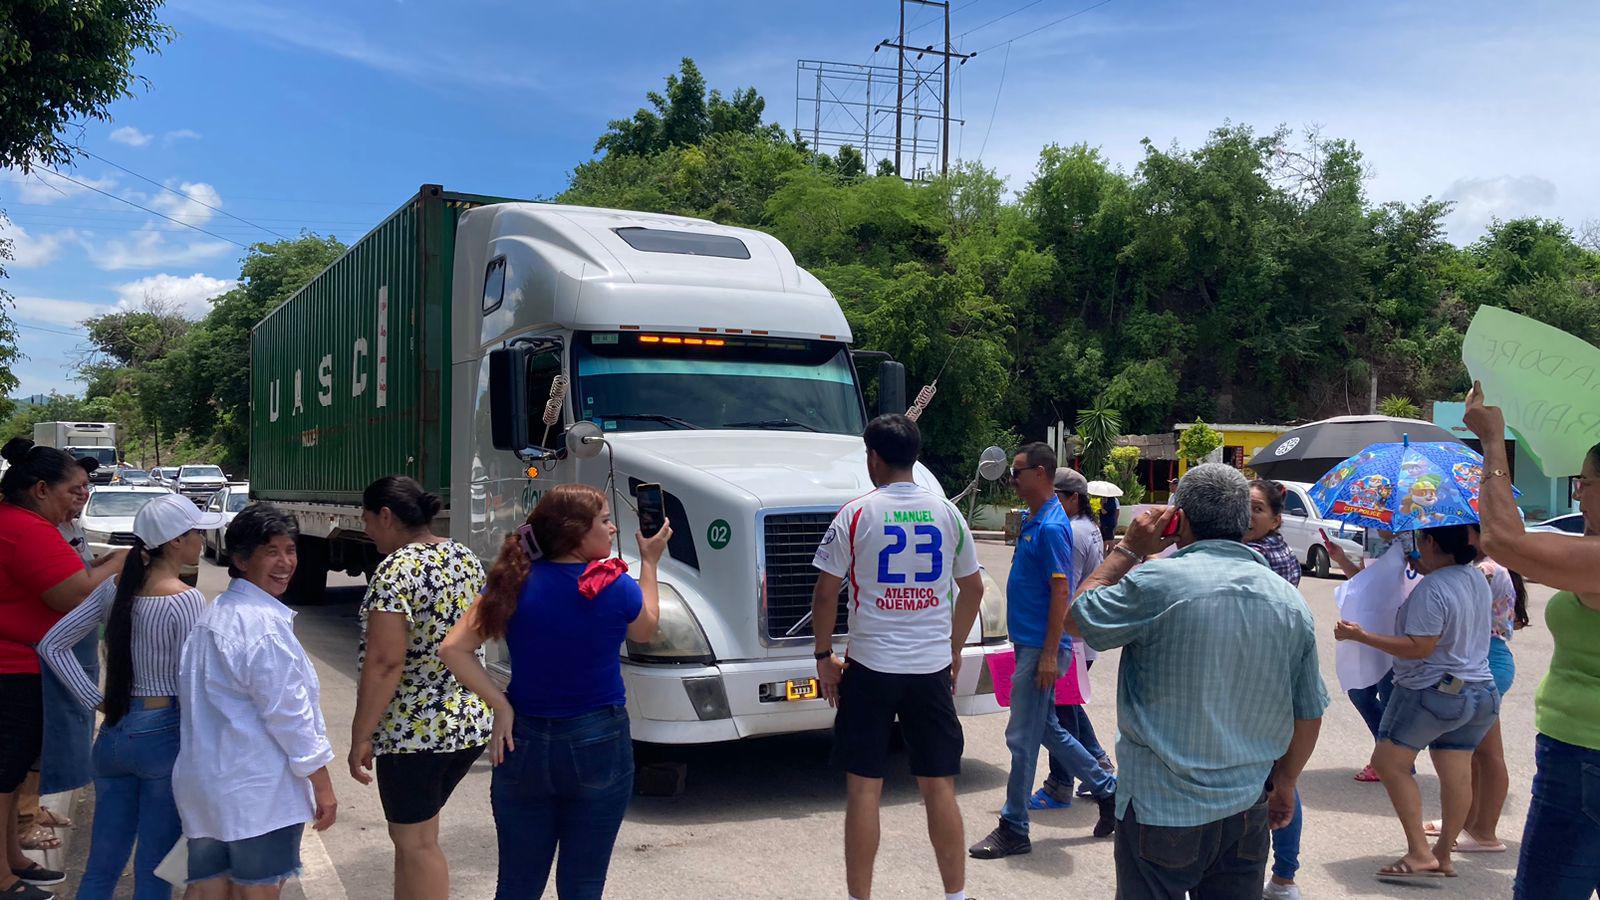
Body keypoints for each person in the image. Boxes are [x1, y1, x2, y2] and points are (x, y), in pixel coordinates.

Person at [1067, 464, 1329, 900]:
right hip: (1246, 811)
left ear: (1178, 520)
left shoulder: (1156, 582)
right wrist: (1285, 784)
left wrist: (1129, 548)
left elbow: (1075, 619)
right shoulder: (1288, 600)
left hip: (1160, 811)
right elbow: (1309, 713)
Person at [440, 484, 669, 899]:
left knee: (517, 884)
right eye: (604, 521)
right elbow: (646, 629)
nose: (614, 528)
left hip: (522, 739)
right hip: (598, 739)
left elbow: (453, 648)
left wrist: (501, 706)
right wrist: (650, 563)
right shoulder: (613, 585)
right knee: (582, 885)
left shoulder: (512, 583)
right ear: (575, 532)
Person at [810, 414, 985, 900]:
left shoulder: (857, 513)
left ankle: (860, 897)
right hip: (929, 669)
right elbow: (972, 589)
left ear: (873, 457)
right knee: (939, 785)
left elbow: (826, 594)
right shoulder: (948, 512)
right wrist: (952, 648)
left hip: (870, 666)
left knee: (865, 788)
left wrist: (824, 655)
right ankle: (955, 895)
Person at [39, 493, 222, 899]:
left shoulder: (114, 590)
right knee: (154, 871)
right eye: (196, 532)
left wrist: (96, 700)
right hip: (164, 733)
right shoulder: (186, 600)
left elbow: (52, 645)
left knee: (102, 866)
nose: (202, 540)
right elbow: (195, 683)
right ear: (175, 541)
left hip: (114, 732)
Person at [1462, 382, 1600, 899]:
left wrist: (1494, 443)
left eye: (1584, 482)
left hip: (1587, 752)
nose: (1578, 492)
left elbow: (1503, 541)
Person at [174, 504, 338, 898]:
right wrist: (324, 787)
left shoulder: (216, 616)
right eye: (271, 552)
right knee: (257, 892)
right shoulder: (262, 628)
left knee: (207, 890)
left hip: (207, 789)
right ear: (241, 559)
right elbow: (291, 718)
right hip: (257, 793)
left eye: (290, 550)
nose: (285, 563)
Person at [969, 443, 1117, 860]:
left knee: (1021, 738)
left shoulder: (1052, 526)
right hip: (1031, 644)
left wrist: (1052, 652)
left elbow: (1061, 591)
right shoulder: (1038, 519)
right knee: (1047, 729)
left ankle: (1014, 827)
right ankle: (1110, 791)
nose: (1012, 479)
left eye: (1017, 472)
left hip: (1040, 648)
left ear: (1039, 473)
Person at [347, 476, 491, 900]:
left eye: (368, 519)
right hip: (467, 722)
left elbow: (385, 663)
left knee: (417, 844)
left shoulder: (395, 571)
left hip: (415, 733)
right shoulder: (462, 555)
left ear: (386, 516)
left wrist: (361, 734)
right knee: (414, 836)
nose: (367, 529)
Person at [1334, 523, 1498, 879]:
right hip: (1478, 690)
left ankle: (1419, 852)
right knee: (1455, 771)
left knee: (1389, 762)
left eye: (1421, 540)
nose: (1417, 547)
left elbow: (1419, 647)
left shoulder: (1433, 588)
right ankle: (1443, 854)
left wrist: (1362, 635)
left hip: (1432, 690)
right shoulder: (1473, 577)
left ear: (1431, 542)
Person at [0, 439, 125, 898]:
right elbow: (72, 594)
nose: (83, 497)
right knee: (5, 772)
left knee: (14, 774)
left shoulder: (27, 525)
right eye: (74, 489)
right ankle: (2, 877)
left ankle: (11, 857)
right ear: (39, 489)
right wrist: (121, 562)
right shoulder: (24, 529)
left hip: (24, 664)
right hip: (11, 667)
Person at [1420, 540, 1528, 854]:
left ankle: (1484, 831)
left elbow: (1454, 610)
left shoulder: (1485, 570)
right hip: (1480, 660)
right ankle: (1465, 821)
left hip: (1485, 662)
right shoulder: (1484, 567)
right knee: (1471, 751)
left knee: (1487, 753)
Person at [1028, 467, 1112, 810]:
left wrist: (1051, 646)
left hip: (1069, 640)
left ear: (1073, 499)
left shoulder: (1072, 533)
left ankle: (1060, 784)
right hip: (1081, 638)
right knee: (1068, 706)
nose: (1049, 504)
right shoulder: (1088, 528)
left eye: (1055, 498)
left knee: (1059, 716)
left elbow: (1063, 591)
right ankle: (1100, 763)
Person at [1245, 479, 1308, 900]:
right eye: (1242, 507)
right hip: (1276, 678)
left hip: (1259, 683)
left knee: (1274, 782)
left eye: (1256, 509)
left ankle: (1278, 876)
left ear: (1275, 519)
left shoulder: (1256, 557)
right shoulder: (1282, 551)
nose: (1247, 516)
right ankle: (1283, 875)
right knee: (1281, 780)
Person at [1323, 529, 1397, 782]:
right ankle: (1393, 758)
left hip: (1397, 631)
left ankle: (1389, 761)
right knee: (1359, 692)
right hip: (1367, 629)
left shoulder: (1414, 536)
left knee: (1389, 699)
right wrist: (1341, 558)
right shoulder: (1372, 533)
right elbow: (1362, 580)